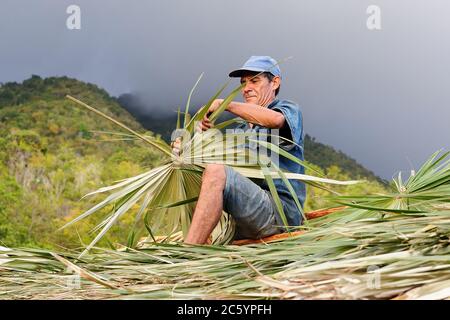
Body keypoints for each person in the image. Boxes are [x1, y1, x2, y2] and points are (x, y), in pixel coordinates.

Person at [172, 56, 306, 244]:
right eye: (243, 83)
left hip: (280, 213)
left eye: (254, 81)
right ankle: (204, 241)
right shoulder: (241, 129)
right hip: (245, 214)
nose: (246, 88)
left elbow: (275, 121)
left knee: (216, 171)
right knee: (203, 171)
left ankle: (189, 252)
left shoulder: (286, 109)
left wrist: (224, 104)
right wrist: (187, 147)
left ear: (274, 82)